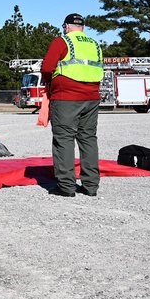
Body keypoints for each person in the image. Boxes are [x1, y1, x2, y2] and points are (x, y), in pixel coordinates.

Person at [40, 13, 104, 197]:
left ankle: (66, 187)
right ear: (82, 27)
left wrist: (49, 83)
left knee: (64, 139)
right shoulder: (95, 45)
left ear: (66, 26)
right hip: (91, 98)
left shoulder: (62, 42)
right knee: (88, 139)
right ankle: (91, 186)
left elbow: (47, 67)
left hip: (66, 98)